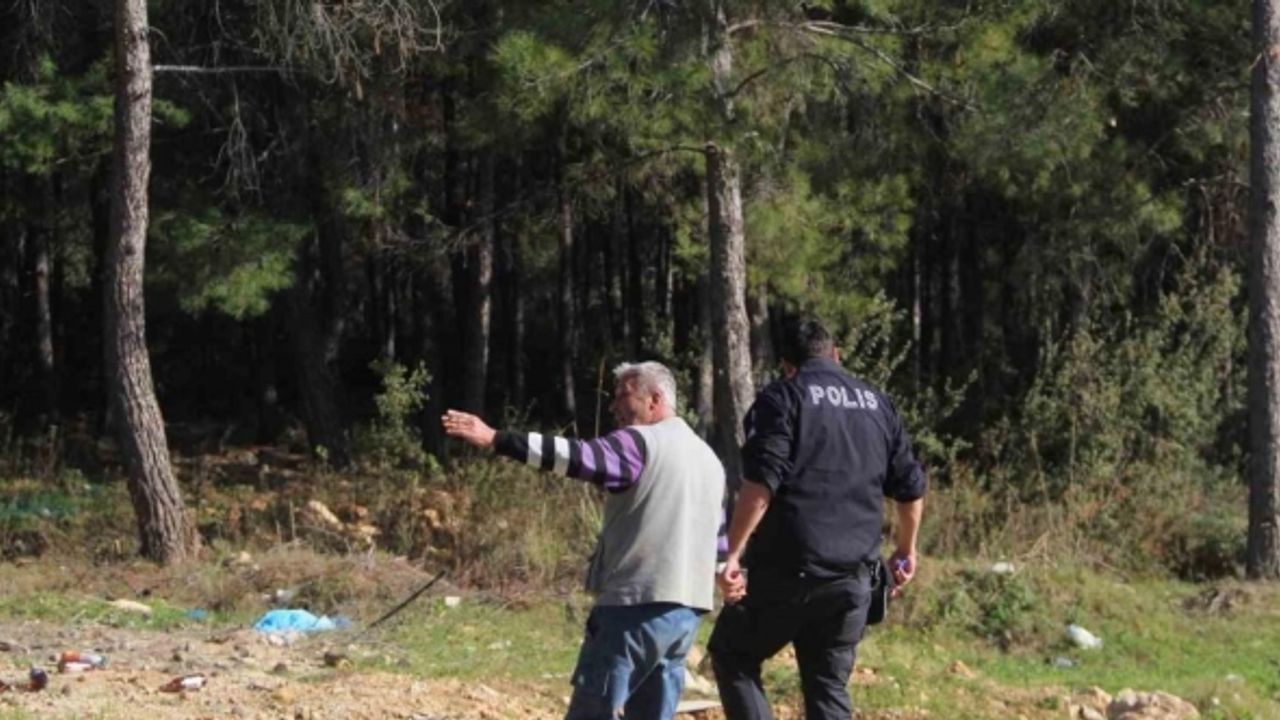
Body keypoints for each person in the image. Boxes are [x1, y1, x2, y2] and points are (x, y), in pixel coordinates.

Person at [442, 361, 726, 720]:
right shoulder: (709, 458)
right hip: (687, 614)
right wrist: (723, 572)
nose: (614, 406)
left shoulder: (639, 442)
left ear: (655, 399)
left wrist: (498, 439)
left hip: (634, 609)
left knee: (593, 711)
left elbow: (576, 458)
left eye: (624, 395)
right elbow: (717, 532)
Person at [708, 315, 927, 720]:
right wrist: (905, 550)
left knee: (733, 653)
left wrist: (733, 554)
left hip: (788, 573)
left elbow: (760, 484)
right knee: (827, 685)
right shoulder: (879, 403)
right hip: (853, 578)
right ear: (836, 355)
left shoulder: (783, 398)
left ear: (788, 365)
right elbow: (911, 489)